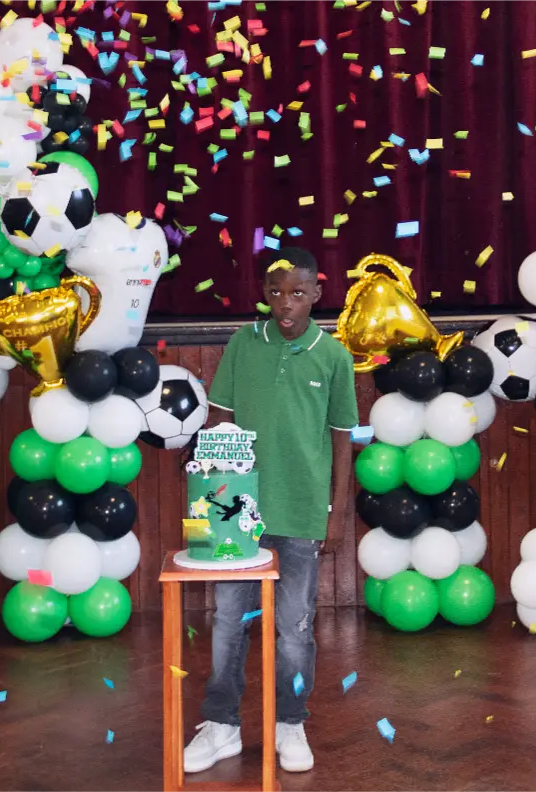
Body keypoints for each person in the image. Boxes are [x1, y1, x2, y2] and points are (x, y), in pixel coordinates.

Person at [183, 246, 359, 774]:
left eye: (299, 293)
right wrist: (207, 503)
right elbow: (217, 422)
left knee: (294, 629)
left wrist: (336, 513)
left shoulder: (334, 357)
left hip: (303, 509)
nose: (287, 304)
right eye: (278, 292)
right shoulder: (243, 343)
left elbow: (343, 440)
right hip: (235, 509)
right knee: (229, 622)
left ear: (317, 296)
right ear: (265, 292)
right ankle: (222, 726)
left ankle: (290, 723)